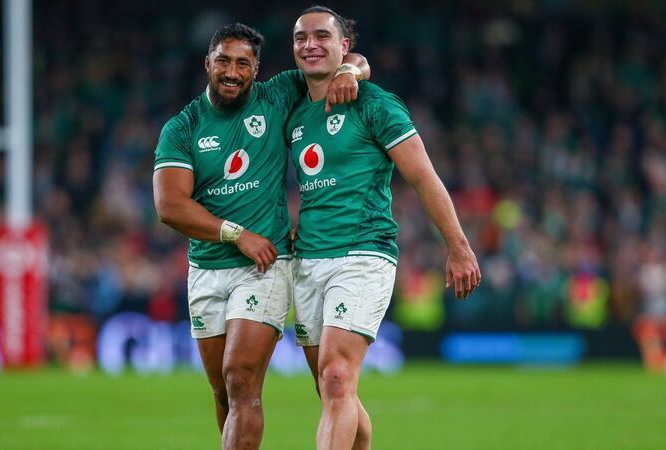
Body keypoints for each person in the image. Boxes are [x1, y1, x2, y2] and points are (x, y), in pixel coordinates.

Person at [152, 23, 369, 450]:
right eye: (224, 61)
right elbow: (170, 207)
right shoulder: (183, 127)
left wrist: (351, 72)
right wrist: (236, 234)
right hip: (207, 269)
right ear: (208, 64)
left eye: (243, 64)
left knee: (240, 378)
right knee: (223, 392)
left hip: (263, 265)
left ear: (256, 69)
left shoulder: (277, 95)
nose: (232, 72)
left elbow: (349, 61)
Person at [286, 7, 481, 450]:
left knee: (336, 377)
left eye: (322, 36)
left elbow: (423, 176)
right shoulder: (291, 107)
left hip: (364, 252)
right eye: (301, 38)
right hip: (308, 260)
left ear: (344, 46)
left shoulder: (375, 103)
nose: (310, 44)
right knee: (333, 388)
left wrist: (458, 245)